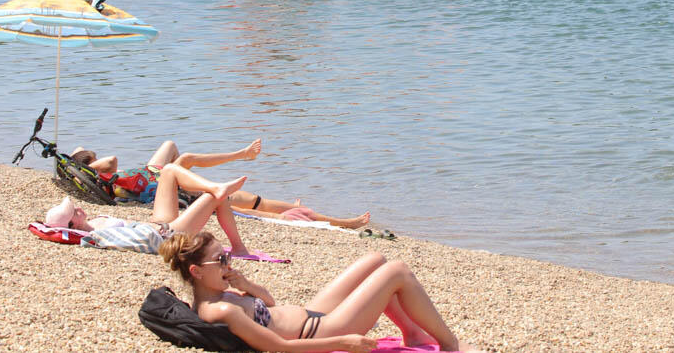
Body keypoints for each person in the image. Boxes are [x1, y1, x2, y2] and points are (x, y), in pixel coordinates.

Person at [160, 233, 480, 352]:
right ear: (197, 272)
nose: (228, 263)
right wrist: (344, 342)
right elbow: (279, 347)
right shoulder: (221, 311)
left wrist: (246, 285)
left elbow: (268, 306)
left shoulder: (218, 295)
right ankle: (449, 345)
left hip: (311, 312)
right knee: (397, 271)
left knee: (376, 260)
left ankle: (411, 333)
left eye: (227, 255)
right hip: (322, 331)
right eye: (222, 259)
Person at [72, 139, 370, 229]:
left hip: (156, 175)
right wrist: (81, 159)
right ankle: (342, 222)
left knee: (176, 148)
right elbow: (109, 161)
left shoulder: (116, 177)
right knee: (256, 205)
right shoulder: (104, 174)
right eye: (89, 157)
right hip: (166, 186)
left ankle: (242, 157)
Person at [47, 164, 252, 255]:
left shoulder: (94, 223)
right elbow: (142, 242)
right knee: (216, 198)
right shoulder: (98, 236)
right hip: (167, 235)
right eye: (75, 211)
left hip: (159, 224)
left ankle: (213, 185)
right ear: (73, 224)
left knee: (169, 171)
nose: (79, 208)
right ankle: (238, 248)